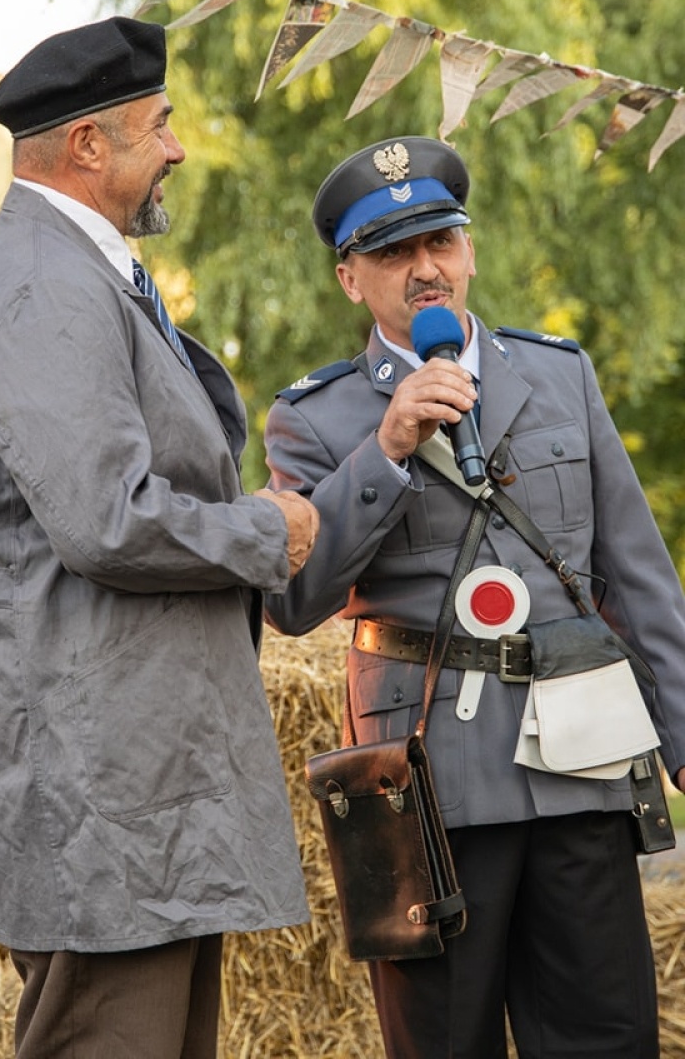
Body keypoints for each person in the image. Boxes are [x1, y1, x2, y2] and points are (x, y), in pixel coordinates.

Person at [0, 16, 319, 1059]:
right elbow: (107, 522)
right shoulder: (47, 286)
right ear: (90, 146)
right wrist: (260, 529)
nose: (178, 150)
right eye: (161, 126)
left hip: (132, 792)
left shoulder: (76, 274)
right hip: (102, 798)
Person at [263, 134, 685, 1059]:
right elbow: (292, 601)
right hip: (426, 794)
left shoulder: (559, 374)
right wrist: (386, 451)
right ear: (350, 279)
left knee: (608, 1038)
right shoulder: (315, 417)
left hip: (583, 770)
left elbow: (638, 574)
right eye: (393, 254)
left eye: (440, 244)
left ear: (470, 250)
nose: (425, 271)